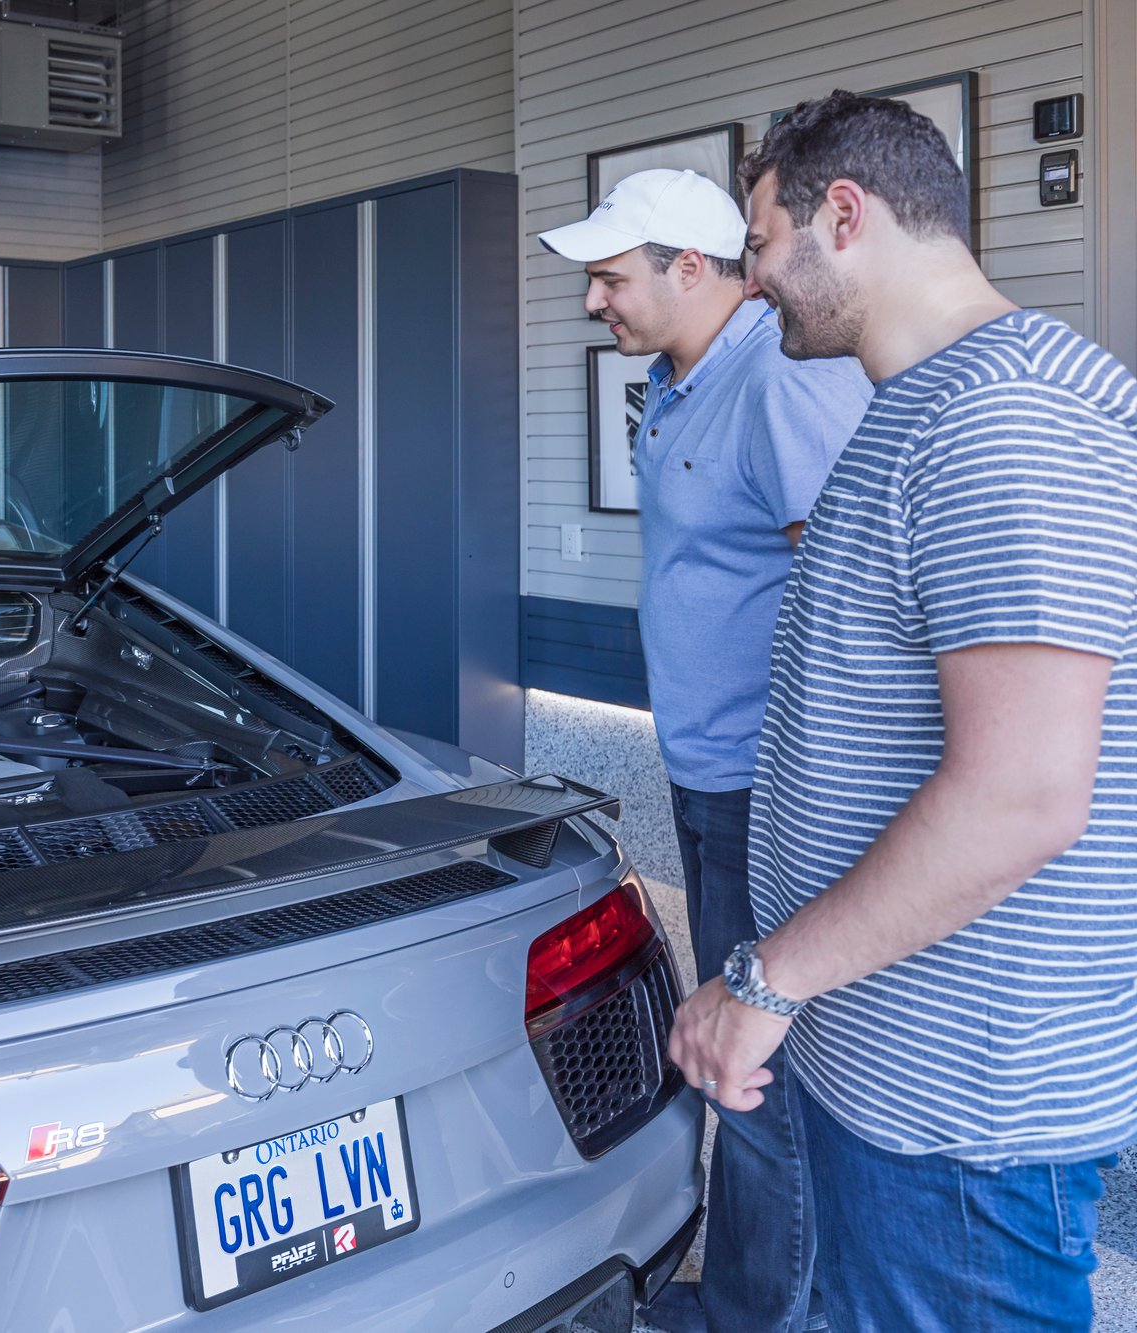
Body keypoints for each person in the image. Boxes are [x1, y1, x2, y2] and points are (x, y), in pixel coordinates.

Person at [669, 89, 1137, 1331]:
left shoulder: (1005, 418)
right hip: (889, 1075)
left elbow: (1020, 793)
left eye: (760, 248)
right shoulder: (920, 408)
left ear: (843, 212)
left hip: (964, 1119)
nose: (751, 285)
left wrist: (762, 982)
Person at [540, 168, 871, 1333]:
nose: (592, 301)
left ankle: (762, 1316)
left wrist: (800, 785)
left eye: (608, 278)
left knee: (754, 1070)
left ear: (692, 267)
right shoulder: (679, 386)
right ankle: (749, 1290)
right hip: (705, 775)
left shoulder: (781, 382)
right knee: (740, 1062)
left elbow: (845, 611)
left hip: (762, 792)